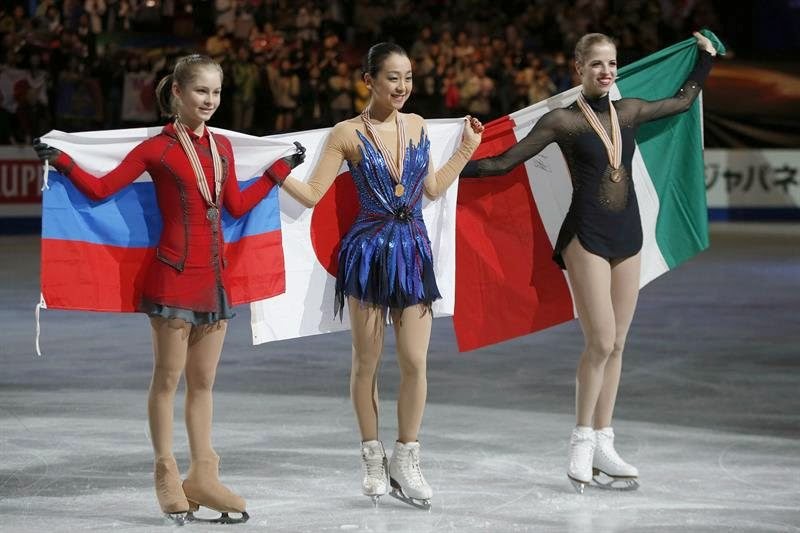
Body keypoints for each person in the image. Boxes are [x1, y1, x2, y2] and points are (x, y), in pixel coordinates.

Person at [33, 54, 304, 524]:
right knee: (167, 380)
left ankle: (203, 474)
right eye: (201, 91)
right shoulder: (156, 149)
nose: (210, 100)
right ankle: (165, 473)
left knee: (204, 383)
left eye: (216, 92)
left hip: (214, 278)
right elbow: (101, 190)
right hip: (173, 276)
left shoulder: (222, 147)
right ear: (177, 92)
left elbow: (236, 206)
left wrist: (276, 171)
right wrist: (64, 162)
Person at [461, 32, 717, 493]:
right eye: (597, 64)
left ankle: (604, 440)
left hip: (629, 236)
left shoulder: (629, 110)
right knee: (599, 341)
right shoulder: (563, 121)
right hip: (586, 236)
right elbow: (501, 164)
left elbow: (682, 102)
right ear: (578, 68)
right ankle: (581, 440)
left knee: (617, 344)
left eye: (612, 63)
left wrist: (705, 58)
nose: (606, 71)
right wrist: (449, 166)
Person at [266, 42, 483, 509]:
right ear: (369, 80)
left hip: (413, 253)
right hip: (367, 254)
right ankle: (371, 455)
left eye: (408, 77)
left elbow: (431, 188)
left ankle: (407, 457)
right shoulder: (346, 133)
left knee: (415, 361)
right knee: (367, 362)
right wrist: (277, 173)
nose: (402, 86)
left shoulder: (418, 125)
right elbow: (313, 193)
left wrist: (466, 148)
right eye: (392, 77)